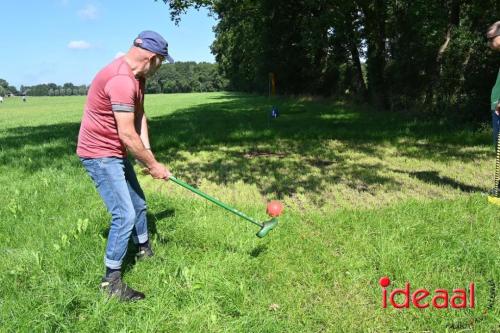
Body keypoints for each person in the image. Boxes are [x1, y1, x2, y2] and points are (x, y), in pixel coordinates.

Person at [77, 30, 174, 301]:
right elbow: (127, 134)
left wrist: (148, 154)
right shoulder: (121, 80)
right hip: (99, 154)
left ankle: (143, 249)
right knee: (124, 214)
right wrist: (154, 166)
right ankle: (111, 283)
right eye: (162, 62)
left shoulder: (137, 77)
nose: (160, 68)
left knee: (139, 204)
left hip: (116, 150)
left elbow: (140, 116)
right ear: (153, 58)